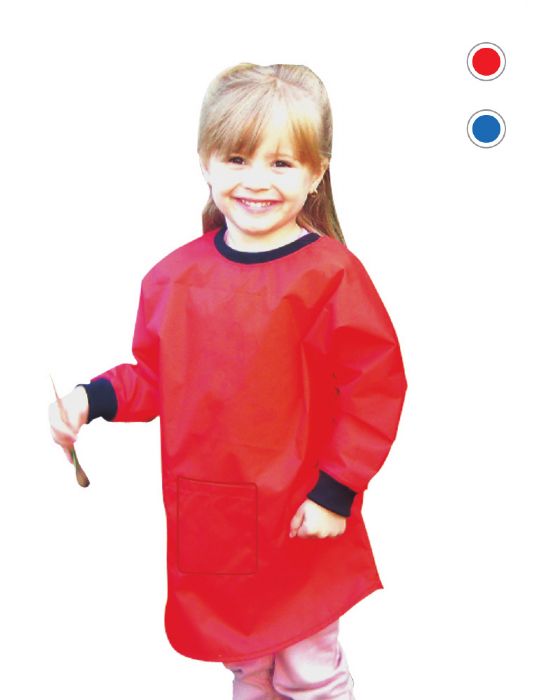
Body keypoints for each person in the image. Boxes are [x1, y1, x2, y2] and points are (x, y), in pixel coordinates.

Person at [49, 63, 408, 699]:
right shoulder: (174, 278)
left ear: (316, 173)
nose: (257, 180)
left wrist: (336, 491)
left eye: (281, 163)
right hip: (216, 517)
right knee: (249, 667)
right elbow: (157, 378)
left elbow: (374, 389)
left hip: (301, 512)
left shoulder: (331, 276)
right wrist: (91, 398)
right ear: (206, 163)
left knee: (309, 671)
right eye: (238, 158)